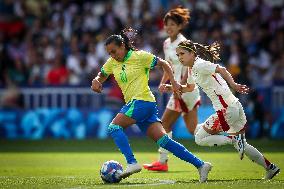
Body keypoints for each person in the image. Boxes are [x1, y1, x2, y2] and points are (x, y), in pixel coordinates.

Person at [91, 28, 212, 183]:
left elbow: (165, 64)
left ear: (122, 46)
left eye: (114, 51)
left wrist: (173, 83)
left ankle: (132, 163)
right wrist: (96, 81)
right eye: (109, 54)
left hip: (141, 101)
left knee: (114, 128)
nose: (112, 56)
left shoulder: (139, 56)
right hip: (142, 105)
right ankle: (201, 165)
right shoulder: (112, 62)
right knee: (164, 142)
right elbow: (102, 74)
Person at [163, 40, 280, 180]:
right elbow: (190, 88)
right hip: (234, 107)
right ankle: (270, 167)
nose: (179, 57)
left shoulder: (200, 65)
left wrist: (234, 84)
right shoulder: (191, 68)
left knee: (199, 138)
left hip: (226, 110)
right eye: (177, 55)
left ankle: (232, 139)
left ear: (192, 53)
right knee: (243, 145)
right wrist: (173, 87)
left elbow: (221, 69)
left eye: (182, 53)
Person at [143, 7, 201, 172]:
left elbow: (187, 68)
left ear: (180, 26)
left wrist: (178, 87)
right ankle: (226, 133)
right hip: (181, 90)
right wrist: (163, 82)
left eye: (172, 24)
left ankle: (163, 161)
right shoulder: (167, 43)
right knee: (194, 131)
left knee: (164, 124)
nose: (168, 27)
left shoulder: (183, 43)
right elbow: (168, 66)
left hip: (184, 89)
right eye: (166, 24)